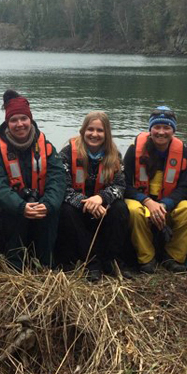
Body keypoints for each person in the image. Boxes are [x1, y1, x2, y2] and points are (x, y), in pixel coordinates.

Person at [0, 89, 65, 270]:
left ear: (31, 120)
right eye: (14, 120)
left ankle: (45, 265)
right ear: (7, 123)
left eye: (23, 119)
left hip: (41, 203)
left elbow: (58, 179)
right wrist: (21, 207)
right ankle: (15, 265)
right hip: (10, 207)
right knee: (12, 214)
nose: (19, 124)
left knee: (53, 212)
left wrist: (48, 204)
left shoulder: (46, 147)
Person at [56, 111, 133, 281]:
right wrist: (86, 203)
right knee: (65, 210)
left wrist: (101, 198)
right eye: (90, 129)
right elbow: (62, 187)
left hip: (102, 209)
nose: (94, 134)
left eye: (100, 130)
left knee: (120, 208)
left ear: (106, 134)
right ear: (83, 131)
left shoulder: (114, 155)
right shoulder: (67, 153)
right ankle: (91, 262)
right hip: (78, 208)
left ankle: (112, 260)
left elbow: (120, 186)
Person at [124, 106, 187, 273]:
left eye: (166, 127)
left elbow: (185, 185)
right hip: (141, 200)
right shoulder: (134, 150)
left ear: (173, 131)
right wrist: (147, 202)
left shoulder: (182, 151)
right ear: (150, 130)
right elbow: (125, 184)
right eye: (156, 127)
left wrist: (165, 204)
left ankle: (173, 257)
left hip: (169, 203)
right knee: (133, 211)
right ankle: (147, 259)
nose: (161, 132)